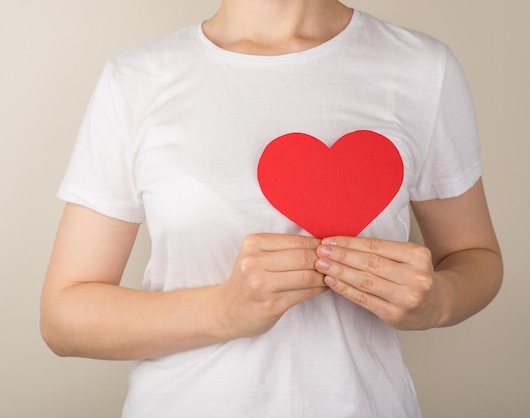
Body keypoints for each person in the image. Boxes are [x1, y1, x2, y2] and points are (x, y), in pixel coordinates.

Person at [40, 0, 503, 416]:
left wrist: (437, 303)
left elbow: (476, 257)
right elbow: (64, 318)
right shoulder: (136, 80)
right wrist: (223, 311)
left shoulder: (421, 67)